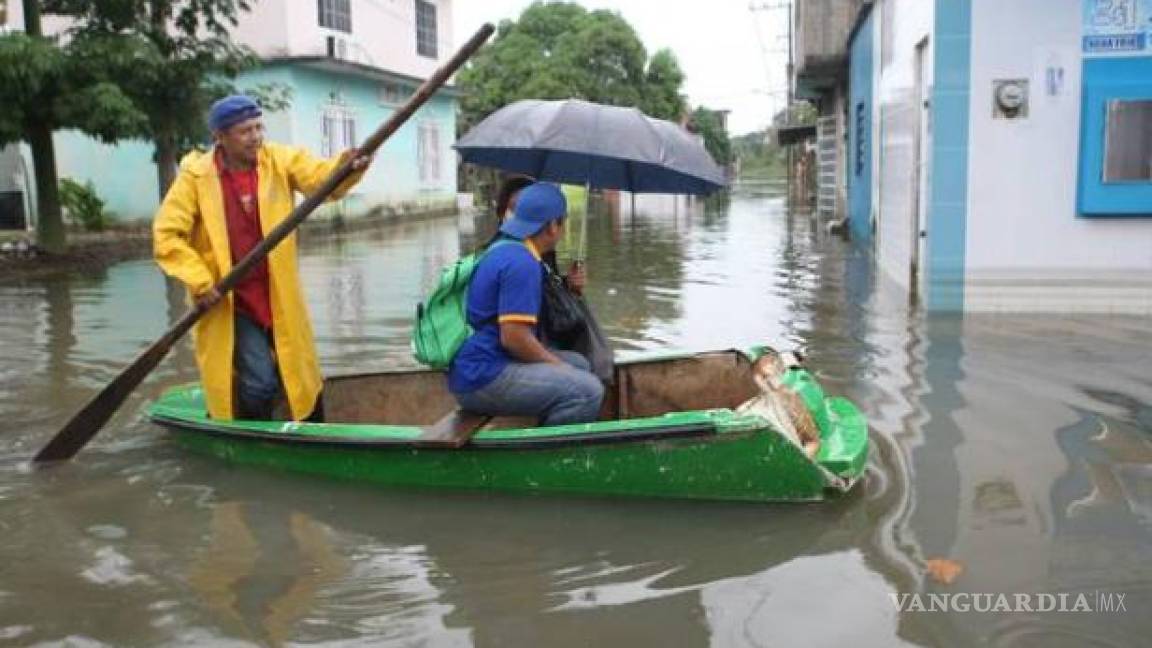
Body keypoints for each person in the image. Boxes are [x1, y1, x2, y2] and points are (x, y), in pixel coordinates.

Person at [153, 95, 372, 421]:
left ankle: (306, 426)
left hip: (276, 292)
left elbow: (320, 180)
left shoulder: (278, 161)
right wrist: (201, 282)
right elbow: (167, 234)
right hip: (231, 299)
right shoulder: (195, 177)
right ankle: (253, 435)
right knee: (259, 383)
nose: (256, 137)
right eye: (245, 131)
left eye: (259, 128)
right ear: (220, 137)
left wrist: (347, 166)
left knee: (300, 373)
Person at [449, 182, 604, 425]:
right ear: (553, 226)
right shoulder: (521, 263)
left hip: (479, 365)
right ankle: (549, 457)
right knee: (588, 391)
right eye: (562, 223)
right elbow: (513, 338)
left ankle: (547, 423)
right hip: (483, 376)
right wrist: (557, 367)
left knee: (579, 364)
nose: (562, 231)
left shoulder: (507, 248)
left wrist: (570, 285)